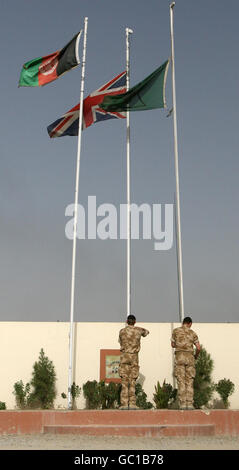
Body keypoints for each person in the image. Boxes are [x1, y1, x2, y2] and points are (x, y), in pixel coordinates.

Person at [118, 315, 149, 410]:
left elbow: (120, 341)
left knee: (124, 380)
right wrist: (137, 328)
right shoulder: (138, 330)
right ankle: (132, 404)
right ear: (135, 321)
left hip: (124, 356)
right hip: (134, 357)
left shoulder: (122, 331)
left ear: (127, 321)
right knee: (132, 381)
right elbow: (147, 332)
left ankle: (124, 404)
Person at [171, 316, 200, 410]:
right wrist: (196, 356)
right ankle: (190, 404)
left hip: (179, 357)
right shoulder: (193, 333)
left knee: (181, 381)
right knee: (189, 381)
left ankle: (183, 404)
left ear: (183, 322)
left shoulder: (175, 331)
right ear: (190, 323)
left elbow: (172, 344)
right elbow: (198, 348)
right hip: (190, 358)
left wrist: (179, 345)